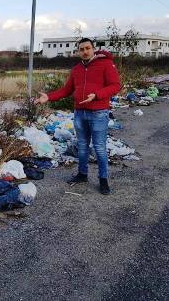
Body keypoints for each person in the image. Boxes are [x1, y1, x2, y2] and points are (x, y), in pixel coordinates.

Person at [34, 38, 121, 194]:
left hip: (99, 113)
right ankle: (82, 174)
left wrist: (97, 95)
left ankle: (103, 180)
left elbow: (115, 86)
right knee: (82, 146)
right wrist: (48, 96)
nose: (85, 51)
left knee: (99, 148)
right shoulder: (76, 69)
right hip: (80, 113)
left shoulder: (106, 64)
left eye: (87, 48)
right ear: (78, 52)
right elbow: (66, 90)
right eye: (81, 49)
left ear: (93, 49)